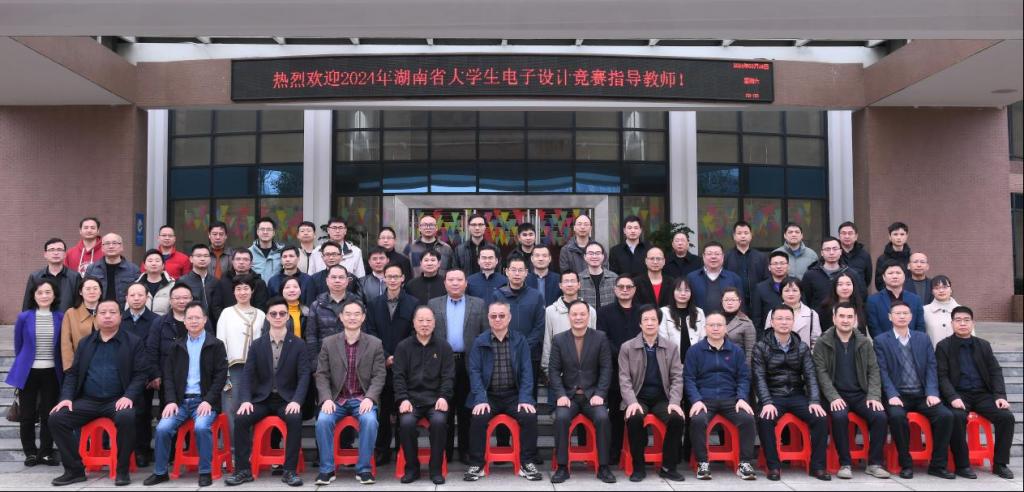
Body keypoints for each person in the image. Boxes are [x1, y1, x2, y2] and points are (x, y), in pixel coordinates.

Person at [49, 299, 148, 487]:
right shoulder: (85, 343)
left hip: (118, 400)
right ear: (96, 317)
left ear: (120, 316)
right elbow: (73, 374)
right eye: (103, 313)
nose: (108, 316)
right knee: (57, 418)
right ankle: (74, 470)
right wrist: (66, 398)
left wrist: (128, 396)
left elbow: (141, 374)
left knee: (126, 417)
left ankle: (122, 470)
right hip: (88, 401)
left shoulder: (133, 342)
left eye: (112, 312)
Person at [224, 297, 310, 487]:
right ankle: (243, 470)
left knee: (295, 418)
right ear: (268, 317)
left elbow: (304, 376)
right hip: (262, 399)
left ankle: (289, 471)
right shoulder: (257, 344)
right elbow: (247, 374)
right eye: (273, 314)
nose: (278, 317)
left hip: (286, 400)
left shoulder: (298, 344)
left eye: (282, 313)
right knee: (241, 418)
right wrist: (246, 400)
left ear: (287, 317)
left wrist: (297, 401)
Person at [144, 302, 227, 488]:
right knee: (162, 428)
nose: (194, 321)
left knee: (201, 427)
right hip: (180, 402)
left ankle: (204, 471)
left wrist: (208, 401)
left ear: (205, 320)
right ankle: (160, 472)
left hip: (204, 401)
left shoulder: (216, 345)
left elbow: (220, 377)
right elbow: (168, 377)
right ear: (185, 321)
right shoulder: (177, 346)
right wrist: (171, 401)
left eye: (198, 317)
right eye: (190, 318)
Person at [874, 300, 956, 479]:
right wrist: (891, 394)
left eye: (905, 313)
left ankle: (937, 465)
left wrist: (932, 392)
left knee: (945, 416)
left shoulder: (922, 338)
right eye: (898, 313)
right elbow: (882, 371)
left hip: (922, 395)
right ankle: (906, 464)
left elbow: (932, 367)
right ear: (890, 317)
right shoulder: (881, 341)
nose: (902, 316)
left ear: (911, 317)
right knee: (896, 417)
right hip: (898, 395)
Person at [462, 300, 544, 482]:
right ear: (488, 318)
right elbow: (474, 372)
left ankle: (526, 462)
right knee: (478, 417)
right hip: (488, 395)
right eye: (493, 316)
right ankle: (477, 464)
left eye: (501, 315)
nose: (497, 319)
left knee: (529, 416)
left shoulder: (520, 341)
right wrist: (480, 398)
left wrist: (525, 398)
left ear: (509, 317)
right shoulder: (479, 341)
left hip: (513, 395)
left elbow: (527, 372)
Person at [812, 302, 891, 479]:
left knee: (880, 416)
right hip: (835, 394)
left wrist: (874, 396)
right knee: (840, 416)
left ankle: (874, 463)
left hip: (859, 394)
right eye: (841, 316)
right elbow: (821, 373)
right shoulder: (823, 342)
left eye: (849, 317)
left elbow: (874, 370)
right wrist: (833, 397)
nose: (845, 320)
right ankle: (845, 463)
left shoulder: (864, 342)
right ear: (834, 318)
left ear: (855, 319)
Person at [936, 306, 1016, 480]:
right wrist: (952, 397)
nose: (962, 324)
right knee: (956, 417)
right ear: (952, 323)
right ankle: (962, 465)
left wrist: (1000, 396)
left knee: (1006, 417)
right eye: (958, 320)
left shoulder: (983, 345)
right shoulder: (943, 346)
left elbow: (995, 371)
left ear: (973, 323)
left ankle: (1000, 464)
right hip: (959, 394)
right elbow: (941, 376)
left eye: (966, 320)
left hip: (982, 395)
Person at [753, 305, 831, 481]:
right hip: (773, 395)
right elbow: (759, 378)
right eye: (779, 319)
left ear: (793, 321)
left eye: (788, 319)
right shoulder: (761, 347)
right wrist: (766, 402)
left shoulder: (802, 347)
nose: (784, 322)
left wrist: (814, 401)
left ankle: (818, 466)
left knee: (820, 418)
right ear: (772, 322)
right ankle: (773, 467)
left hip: (797, 395)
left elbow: (811, 375)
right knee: (765, 419)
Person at [313, 300, 386, 485]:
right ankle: (327, 470)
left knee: (370, 421)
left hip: (362, 398)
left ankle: (364, 469)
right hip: (336, 399)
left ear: (363, 317)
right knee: (323, 421)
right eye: (348, 314)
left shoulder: (375, 343)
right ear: (341, 317)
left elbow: (379, 375)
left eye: (356, 314)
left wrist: (370, 398)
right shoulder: (329, 343)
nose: (352, 317)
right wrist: (326, 399)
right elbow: (321, 374)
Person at [548, 300, 617, 484]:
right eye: (574, 314)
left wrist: (600, 394)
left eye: (582, 314)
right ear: (569, 317)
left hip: (592, 396)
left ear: (589, 316)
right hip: (569, 396)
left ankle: (603, 467)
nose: (578, 317)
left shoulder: (600, 337)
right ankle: (562, 467)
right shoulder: (559, 339)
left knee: (602, 418)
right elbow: (553, 371)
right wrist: (561, 395)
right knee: (561, 418)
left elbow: (606, 369)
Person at [685, 312, 758, 481]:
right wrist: (696, 400)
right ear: (705, 328)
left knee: (747, 418)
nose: (716, 328)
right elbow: (689, 378)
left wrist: (741, 398)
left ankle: (744, 463)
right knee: (697, 420)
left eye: (719, 325)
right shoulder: (695, 351)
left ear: (725, 328)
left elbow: (743, 377)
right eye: (712, 325)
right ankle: (703, 463)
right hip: (704, 400)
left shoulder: (736, 351)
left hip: (731, 399)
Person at [428, 269, 488, 464]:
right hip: (442, 363)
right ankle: (444, 451)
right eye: (451, 279)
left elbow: (484, 334)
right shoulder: (433, 304)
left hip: (468, 362)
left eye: (459, 279)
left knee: (465, 409)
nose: (455, 283)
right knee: (444, 407)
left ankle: (465, 450)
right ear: (445, 283)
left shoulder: (478, 304)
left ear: (466, 283)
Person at [618, 305, 686, 482]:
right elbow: (624, 379)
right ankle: (638, 467)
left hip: (662, 398)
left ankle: (668, 467)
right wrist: (631, 402)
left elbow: (677, 377)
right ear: (640, 324)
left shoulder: (670, 347)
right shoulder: (627, 347)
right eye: (646, 320)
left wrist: (674, 402)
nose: (649, 323)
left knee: (677, 419)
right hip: (638, 397)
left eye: (653, 319)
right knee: (634, 418)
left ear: (659, 322)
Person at [392, 306, 455, 485]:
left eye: (428, 320)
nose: (424, 324)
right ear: (413, 323)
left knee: (439, 422)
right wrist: (403, 398)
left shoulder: (444, 347)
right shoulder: (403, 347)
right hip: (411, 399)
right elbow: (398, 377)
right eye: (420, 320)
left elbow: (448, 377)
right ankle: (412, 468)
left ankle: (435, 469)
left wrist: (443, 396)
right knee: (406, 423)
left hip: (435, 399)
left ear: (434, 323)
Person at [365, 263, 419, 465]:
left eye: (396, 276)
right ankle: (382, 449)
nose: (393, 280)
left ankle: (402, 450)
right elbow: (370, 332)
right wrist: (386, 356)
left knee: (403, 407)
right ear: (384, 278)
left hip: (406, 365)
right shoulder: (374, 304)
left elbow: (415, 332)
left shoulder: (413, 303)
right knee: (383, 410)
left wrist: (399, 357)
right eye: (389, 276)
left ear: (403, 278)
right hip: (381, 364)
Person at [8, 278, 64, 467]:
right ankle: (30, 453)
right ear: (33, 296)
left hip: (52, 372)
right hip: (28, 372)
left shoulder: (61, 317)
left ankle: (46, 452)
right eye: (40, 292)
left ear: (54, 295)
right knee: (27, 415)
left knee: (49, 415)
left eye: (48, 292)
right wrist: (23, 365)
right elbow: (18, 346)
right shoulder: (24, 317)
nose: (44, 296)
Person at [596, 275, 641, 464]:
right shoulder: (604, 312)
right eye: (620, 286)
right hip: (614, 369)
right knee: (615, 413)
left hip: (640, 369)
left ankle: (637, 453)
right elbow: (603, 338)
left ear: (634, 290)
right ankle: (614, 453)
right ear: (614, 289)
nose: (624, 290)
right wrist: (622, 354)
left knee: (637, 412)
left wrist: (633, 355)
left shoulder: (642, 311)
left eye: (628, 287)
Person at [489, 257, 546, 402]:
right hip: (504, 352)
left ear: (526, 272)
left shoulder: (536, 296)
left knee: (529, 395)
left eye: (520, 270)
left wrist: (524, 346)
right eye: (513, 270)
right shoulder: (498, 295)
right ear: (506, 272)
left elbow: (539, 326)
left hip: (531, 353)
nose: (517, 273)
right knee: (508, 394)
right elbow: (495, 323)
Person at [215, 274, 266, 433]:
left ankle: (251, 446)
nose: (242, 292)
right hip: (232, 368)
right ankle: (231, 446)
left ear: (252, 291)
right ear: (233, 292)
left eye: (246, 288)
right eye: (238, 289)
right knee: (230, 408)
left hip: (256, 369)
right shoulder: (226, 313)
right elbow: (220, 342)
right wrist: (223, 369)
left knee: (252, 408)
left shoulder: (261, 314)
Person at [121, 282, 160, 466]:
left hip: (145, 375)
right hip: (123, 375)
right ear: (126, 298)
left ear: (147, 297)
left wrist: (154, 374)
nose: (136, 298)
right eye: (132, 295)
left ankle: (142, 451)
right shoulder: (120, 319)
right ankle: (125, 450)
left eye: (140, 295)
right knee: (125, 413)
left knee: (143, 413)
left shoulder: (156, 320)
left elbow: (155, 350)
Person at [541, 271, 597, 375]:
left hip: (585, 372)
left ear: (579, 285)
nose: (570, 284)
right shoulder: (551, 311)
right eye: (566, 281)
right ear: (560, 285)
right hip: (558, 371)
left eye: (573, 281)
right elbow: (547, 341)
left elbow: (594, 341)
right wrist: (547, 368)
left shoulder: (590, 311)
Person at [305, 265, 360, 363]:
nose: (337, 280)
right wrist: (315, 362)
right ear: (327, 281)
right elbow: (311, 336)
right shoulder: (316, 305)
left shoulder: (357, 304)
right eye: (333, 277)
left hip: (351, 358)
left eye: (341, 277)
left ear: (347, 281)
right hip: (324, 358)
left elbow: (363, 333)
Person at [801, 236, 865, 316]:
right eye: (827, 249)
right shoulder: (810, 275)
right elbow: (806, 300)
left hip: (846, 319)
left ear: (840, 251)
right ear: (822, 253)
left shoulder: (851, 274)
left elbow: (859, 297)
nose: (831, 252)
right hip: (818, 320)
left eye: (835, 249)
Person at [867, 261, 926, 337]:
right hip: (884, 343)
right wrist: (885, 342)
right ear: (884, 277)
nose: (895, 276)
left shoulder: (915, 299)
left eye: (898, 273)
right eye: (890, 273)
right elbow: (874, 327)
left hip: (913, 342)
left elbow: (920, 326)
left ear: (904, 276)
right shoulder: (873, 300)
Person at [209, 249, 270, 323]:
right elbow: (216, 306)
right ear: (232, 262)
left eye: (245, 259)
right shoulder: (223, 281)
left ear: (251, 263)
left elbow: (261, 307)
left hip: (251, 324)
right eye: (238, 259)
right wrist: (226, 321)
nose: (241, 262)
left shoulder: (259, 283)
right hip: (228, 323)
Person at [23, 238, 81, 313]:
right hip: (42, 319)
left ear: (65, 254)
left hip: (67, 319)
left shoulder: (75, 277)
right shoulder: (35, 277)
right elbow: (28, 304)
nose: (56, 253)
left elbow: (79, 304)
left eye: (59, 250)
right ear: (45, 254)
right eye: (51, 250)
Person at [657, 277, 706, 363]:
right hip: (671, 361)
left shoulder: (699, 312)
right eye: (679, 290)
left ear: (691, 293)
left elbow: (703, 339)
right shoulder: (664, 312)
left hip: (696, 361)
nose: (683, 293)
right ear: (673, 292)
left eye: (687, 290)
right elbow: (663, 339)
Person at [686, 241, 743, 313]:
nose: (713, 257)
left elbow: (741, 306)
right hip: (698, 319)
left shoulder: (734, 278)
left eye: (717, 254)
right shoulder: (691, 278)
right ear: (703, 256)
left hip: (728, 320)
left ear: (723, 256)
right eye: (709, 254)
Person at [765, 278, 822, 350]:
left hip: (803, 355)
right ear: (781, 293)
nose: (791, 294)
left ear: (800, 293)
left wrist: (809, 355)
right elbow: (767, 337)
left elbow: (816, 341)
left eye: (795, 290)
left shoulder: (811, 314)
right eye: (786, 291)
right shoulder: (773, 312)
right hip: (777, 355)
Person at [86, 233, 140, 307]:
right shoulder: (92, 269)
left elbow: (139, 293)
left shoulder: (133, 270)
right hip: (98, 311)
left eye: (114, 243)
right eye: (107, 243)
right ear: (102, 248)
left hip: (124, 312)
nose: (111, 246)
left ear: (121, 247)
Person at [59, 277, 101, 371]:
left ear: (100, 291)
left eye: (95, 288)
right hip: (79, 366)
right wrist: (70, 368)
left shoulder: (108, 312)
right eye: (88, 289)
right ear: (80, 292)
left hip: (105, 365)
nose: (92, 292)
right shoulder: (71, 313)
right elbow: (66, 344)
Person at [724, 221, 768, 307]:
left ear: (751, 235)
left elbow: (766, 280)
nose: (743, 236)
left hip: (757, 302)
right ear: (734, 236)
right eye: (739, 233)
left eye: (746, 233)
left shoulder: (761, 257)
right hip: (733, 303)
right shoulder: (726, 257)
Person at [751, 251, 790, 333]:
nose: (779, 266)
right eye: (775, 263)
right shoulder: (760, 288)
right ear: (769, 267)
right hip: (768, 334)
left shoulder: (795, 286)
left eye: (782, 263)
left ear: (788, 266)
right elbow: (756, 317)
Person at [721, 288, 757, 366]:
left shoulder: (746, 323)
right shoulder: (715, 319)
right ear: (722, 302)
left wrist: (745, 370)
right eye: (726, 300)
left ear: (739, 302)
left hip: (737, 365)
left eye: (733, 300)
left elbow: (750, 351)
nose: (729, 303)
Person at [578, 242, 618, 310]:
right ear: (585, 256)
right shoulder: (578, 279)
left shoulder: (614, 278)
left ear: (603, 256)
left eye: (597, 253)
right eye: (591, 253)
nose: (594, 256)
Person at [873, 222, 912, 292]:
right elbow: (879, 282)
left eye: (902, 234)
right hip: (888, 295)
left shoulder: (911, 258)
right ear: (889, 237)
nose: (899, 237)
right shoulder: (882, 259)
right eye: (895, 234)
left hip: (908, 295)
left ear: (906, 236)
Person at [135, 249, 175, 316]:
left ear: (163, 265)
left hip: (164, 322)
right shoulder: (136, 285)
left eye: (157, 261)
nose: (153, 264)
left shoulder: (172, 285)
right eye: (150, 261)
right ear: (144, 265)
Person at [924, 276, 961, 348]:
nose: (941, 291)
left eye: (945, 287)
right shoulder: (925, 311)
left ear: (951, 289)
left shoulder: (961, 310)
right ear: (932, 291)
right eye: (936, 288)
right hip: (933, 353)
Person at [178, 244, 216, 311]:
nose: (202, 259)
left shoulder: (215, 281)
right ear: (191, 259)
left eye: (206, 256)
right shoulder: (182, 281)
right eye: (198, 256)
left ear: (210, 259)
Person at [838, 221, 873, 289]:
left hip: (859, 293)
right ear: (839, 236)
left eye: (850, 233)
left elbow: (867, 279)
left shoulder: (864, 255)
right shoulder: (834, 254)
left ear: (856, 236)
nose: (847, 236)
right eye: (844, 233)